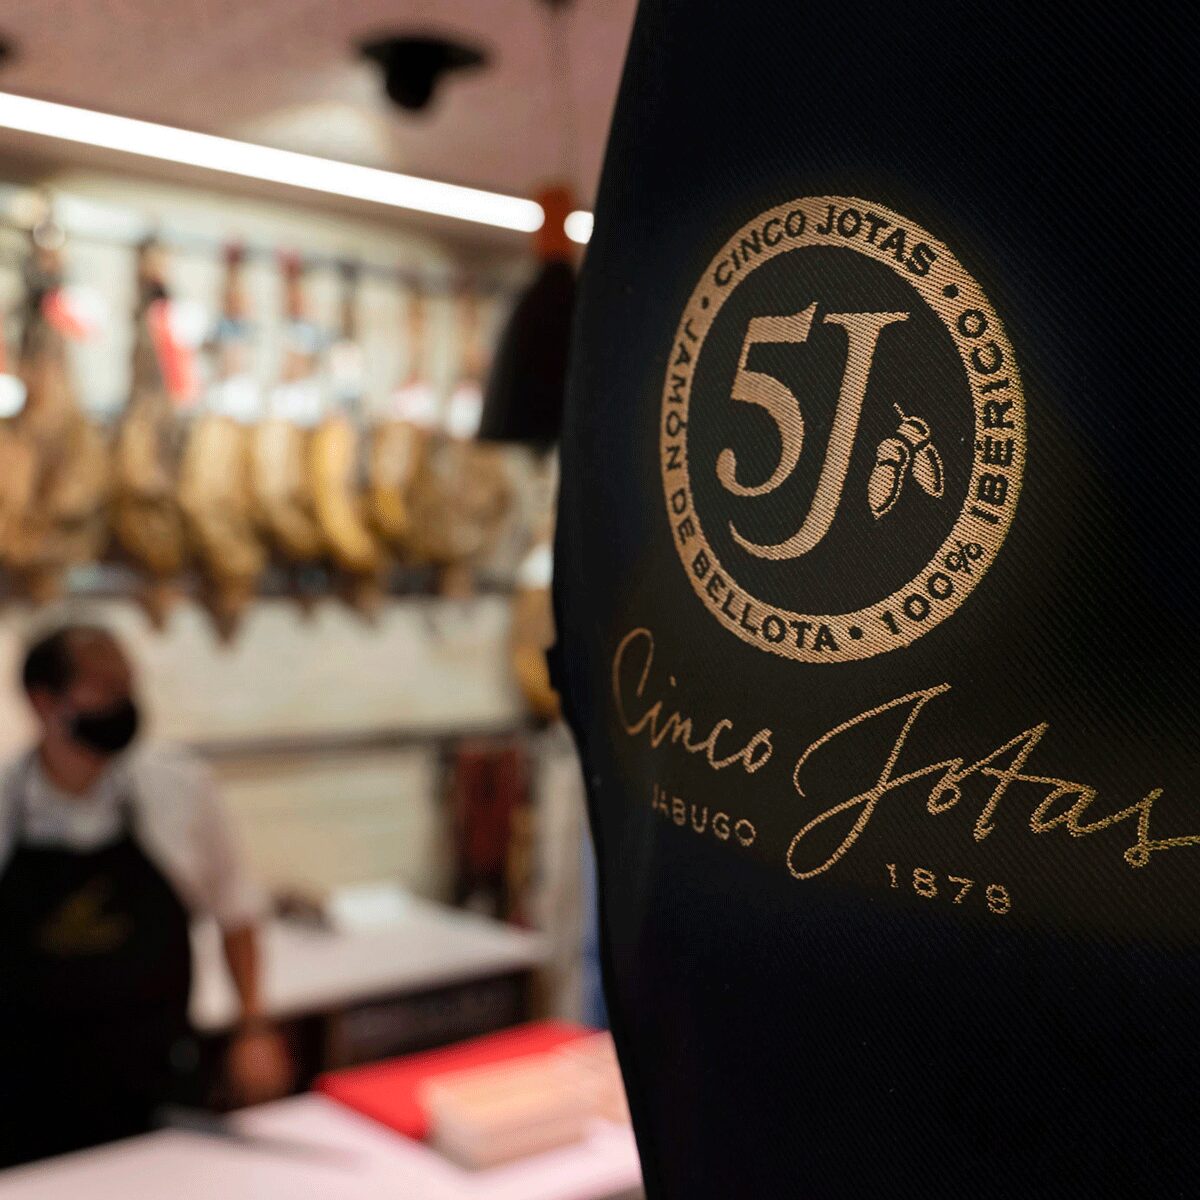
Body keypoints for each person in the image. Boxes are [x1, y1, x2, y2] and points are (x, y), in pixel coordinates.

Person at [0, 624, 291, 1167]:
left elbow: (236, 910)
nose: (124, 704)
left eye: (128, 687)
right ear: (43, 702)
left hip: (156, 1077)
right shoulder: (5, 803)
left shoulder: (176, 786)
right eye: (104, 689)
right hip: (26, 1093)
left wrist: (253, 1028)